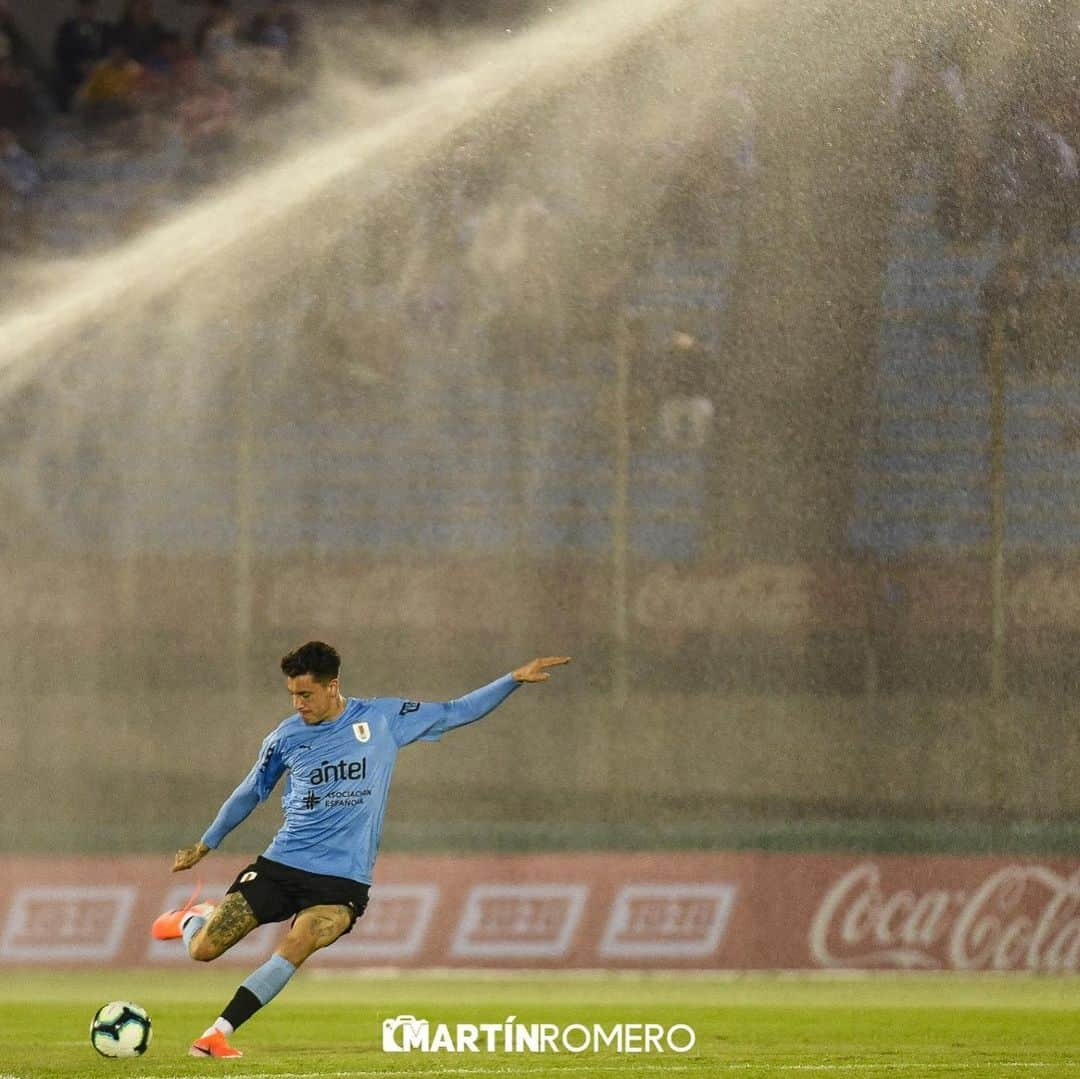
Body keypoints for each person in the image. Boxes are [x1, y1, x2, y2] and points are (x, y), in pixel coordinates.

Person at [151, 640, 570, 1058]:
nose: (298, 703)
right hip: (282, 865)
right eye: (292, 695)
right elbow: (249, 792)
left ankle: (216, 1034)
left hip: (341, 881)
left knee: (300, 943)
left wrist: (513, 679)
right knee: (203, 950)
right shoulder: (285, 738)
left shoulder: (382, 718)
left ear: (333, 686)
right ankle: (192, 918)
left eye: (306, 694)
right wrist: (207, 843)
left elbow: (456, 711)